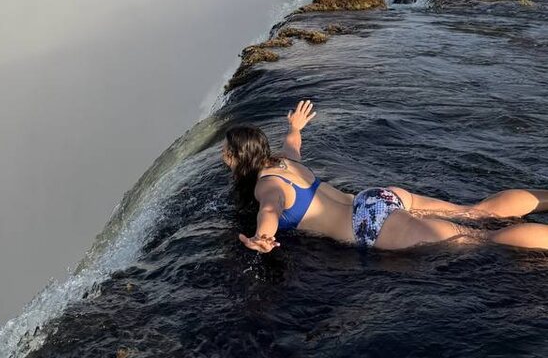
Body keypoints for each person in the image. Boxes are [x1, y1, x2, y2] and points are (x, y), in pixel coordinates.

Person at [222, 100, 548, 252]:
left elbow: (269, 209)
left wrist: (263, 237)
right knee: (477, 212)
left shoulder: (266, 185)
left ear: (241, 157)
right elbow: (293, 143)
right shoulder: (281, 161)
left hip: (370, 225)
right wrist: (295, 127)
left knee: (480, 240)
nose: (223, 156)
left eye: (227, 151)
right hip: (377, 197)